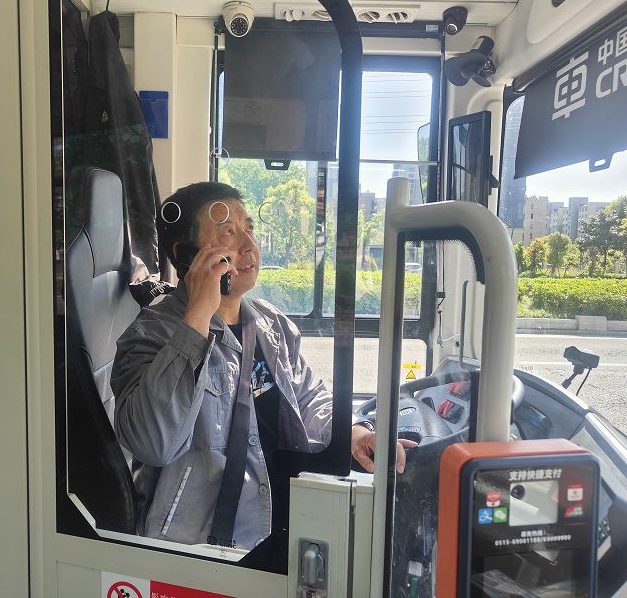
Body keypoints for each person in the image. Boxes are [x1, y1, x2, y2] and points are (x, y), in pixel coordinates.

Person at [111, 181, 414, 550]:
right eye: (228, 232)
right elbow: (152, 443)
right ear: (187, 255)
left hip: (280, 524)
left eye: (249, 228)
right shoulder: (150, 335)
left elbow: (307, 396)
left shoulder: (270, 323)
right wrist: (197, 319)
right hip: (199, 548)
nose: (248, 245)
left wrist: (351, 433)